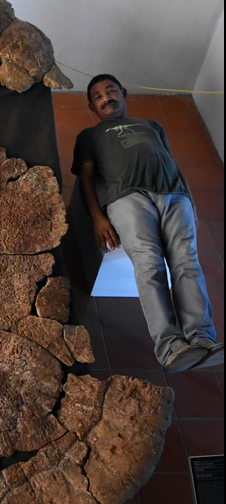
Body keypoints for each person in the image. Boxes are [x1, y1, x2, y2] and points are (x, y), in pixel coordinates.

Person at [71, 74, 223, 372]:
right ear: (92, 106)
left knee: (187, 263)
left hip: (173, 195)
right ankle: (171, 348)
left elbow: (172, 163)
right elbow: (86, 179)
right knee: (149, 264)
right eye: (98, 96)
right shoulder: (89, 136)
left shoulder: (152, 125)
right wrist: (98, 217)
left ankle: (202, 339)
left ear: (124, 93)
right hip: (126, 198)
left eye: (111, 91)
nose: (106, 98)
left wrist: (190, 203)